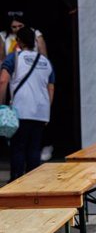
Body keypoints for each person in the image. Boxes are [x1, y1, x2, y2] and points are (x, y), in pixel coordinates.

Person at [0, 27, 55, 181]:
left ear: (19, 42)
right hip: (40, 113)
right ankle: (33, 184)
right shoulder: (46, 62)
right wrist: (47, 110)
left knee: (18, 148)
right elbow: (51, 88)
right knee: (34, 149)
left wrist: (1, 105)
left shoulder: (14, 58)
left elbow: (3, 80)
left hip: (21, 111)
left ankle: (17, 182)